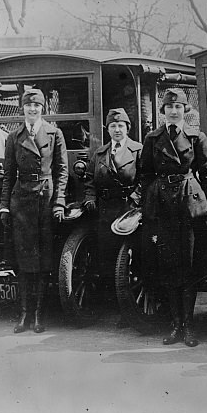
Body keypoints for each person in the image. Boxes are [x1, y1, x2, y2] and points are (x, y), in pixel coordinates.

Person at [137, 90, 207, 347]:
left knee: (190, 266)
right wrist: (150, 209)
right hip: (163, 206)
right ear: (163, 111)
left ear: (186, 110)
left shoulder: (196, 137)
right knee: (169, 267)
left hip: (189, 204)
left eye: (178, 106)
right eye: (169, 106)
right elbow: (146, 176)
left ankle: (190, 325)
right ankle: (175, 324)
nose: (174, 111)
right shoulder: (153, 138)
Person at [0, 89, 68, 334]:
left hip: (45, 200)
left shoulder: (54, 133)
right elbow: (8, 175)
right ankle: (24, 314)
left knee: (42, 260)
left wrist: (59, 202)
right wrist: (5, 205)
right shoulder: (13, 137)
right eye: (28, 106)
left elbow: (62, 172)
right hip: (21, 202)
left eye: (37, 106)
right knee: (24, 260)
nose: (32, 110)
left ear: (43, 108)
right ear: (22, 109)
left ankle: (39, 314)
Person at [82, 107, 143, 296]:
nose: (117, 130)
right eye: (113, 126)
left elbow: (146, 179)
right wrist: (90, 197)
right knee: (106, 254)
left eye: (121, 126)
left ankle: (129, 303)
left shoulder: (138, 150)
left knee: (129, 257)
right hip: (106, 210)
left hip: (129, 210)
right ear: (108, 129)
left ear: (127, 128)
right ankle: (110, 300)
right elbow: (90, 180)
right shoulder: (99, 154)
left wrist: (135, 198)